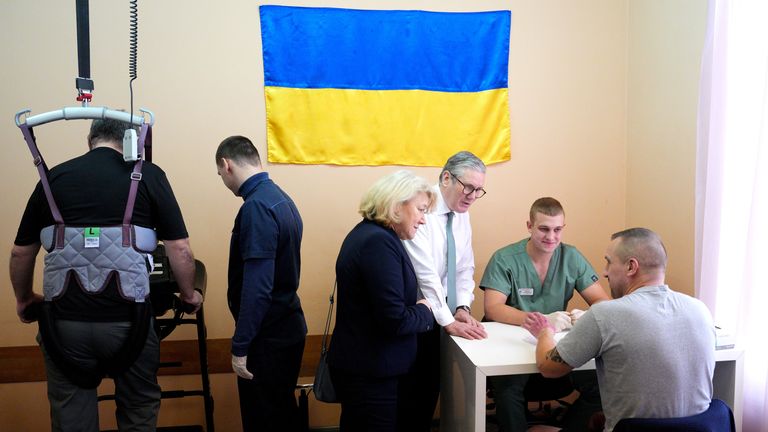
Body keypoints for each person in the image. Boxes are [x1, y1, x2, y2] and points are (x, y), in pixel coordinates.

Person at [10, 117, 202, 431]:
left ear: (91, 141)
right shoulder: (148, 175)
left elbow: (21, 252)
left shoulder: (53, 178)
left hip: (64, 327)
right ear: (127, 140)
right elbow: (179, 249)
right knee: (138, 409)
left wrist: (24, 299)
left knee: (71, 418)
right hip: (131, 323)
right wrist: (189, 295)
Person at [523, 228, 716, 432]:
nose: (604, 272)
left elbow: (548, 368)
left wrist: (545, 331)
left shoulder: (604, 314)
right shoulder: (700, 310)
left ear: (631, 266)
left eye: (609, 262)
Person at [480, 197, 609, 431]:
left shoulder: (571, 257)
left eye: (557, 229)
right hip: (511, 344)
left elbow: (602, 301)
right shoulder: (505, 258)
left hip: (556, 344)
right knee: (508, 390)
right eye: (544, 229)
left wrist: (588, 315)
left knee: (600, 387)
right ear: (529, 226)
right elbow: (493, 307)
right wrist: (539, 321)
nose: (551, 237)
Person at [328, 170, 436, 432]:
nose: (423, 220)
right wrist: (425, 309)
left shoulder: (371, 235)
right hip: (371, 374)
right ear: (397, 206)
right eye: (421, 210)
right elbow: (394, 320)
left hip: (368, 369)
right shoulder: (378, 243)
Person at [215, 135, 307, 432]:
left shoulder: (256, 208)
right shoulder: (281, 198)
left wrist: (240, 346)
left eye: (220, 175)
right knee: (281, 414)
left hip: (267, 337)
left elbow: (258, 287)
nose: (223, 181)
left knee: (264, 420)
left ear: (226, 165)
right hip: (286, 327)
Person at [402, 151, 489, 430]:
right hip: (415, 315)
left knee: (431, 391)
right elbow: (425, 274)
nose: (473, 196)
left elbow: (464, 267)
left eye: (479, 190)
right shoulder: (421, 209)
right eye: (469, 188)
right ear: (447, 178)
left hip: (443, 315)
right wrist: (448, 320)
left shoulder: (462, 214)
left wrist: (462, 307)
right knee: (411, 396)